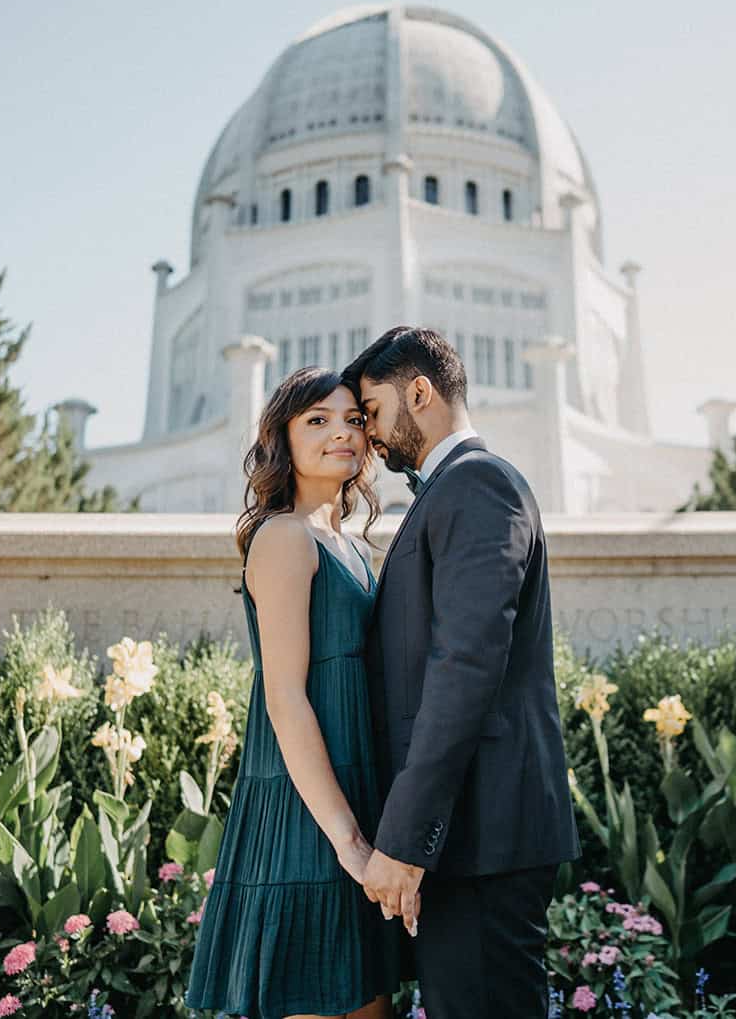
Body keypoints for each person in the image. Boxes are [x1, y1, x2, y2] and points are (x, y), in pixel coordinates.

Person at [341, 327, 581, 1019]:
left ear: (420, 390)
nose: (371, 438)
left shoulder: (479, 484)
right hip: (469, 837)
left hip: (483, 836)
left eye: (374, 410)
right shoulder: (452, 489)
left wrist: (405, 838)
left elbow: (466, 667)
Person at [184, 366, 400, 1019]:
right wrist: (349, 840)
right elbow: (285, 698)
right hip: (307, 815)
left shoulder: (352, 545)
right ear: (283, 436)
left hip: (354, 799)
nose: (343, 431)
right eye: (318, 419)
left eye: (353, 419)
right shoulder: (284, 536)